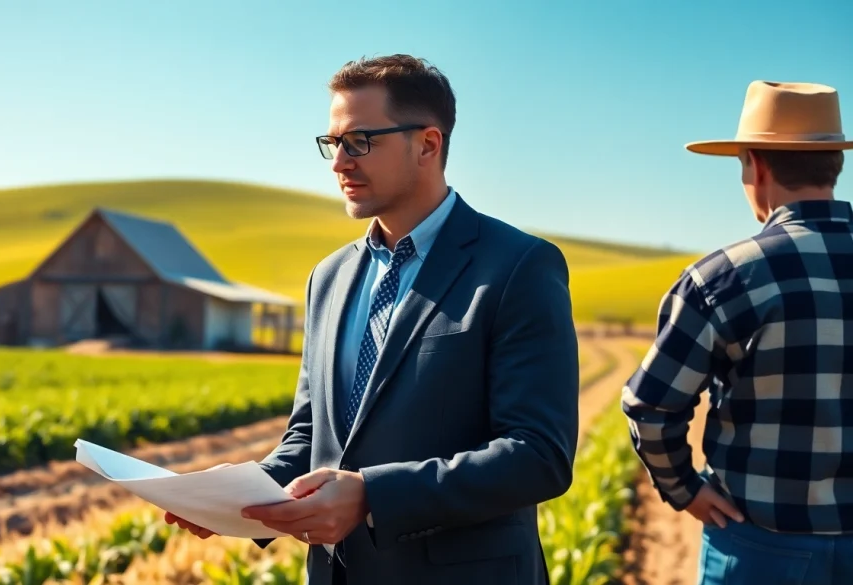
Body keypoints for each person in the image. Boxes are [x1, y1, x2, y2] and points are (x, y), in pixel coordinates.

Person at [164, 54, 580, 584]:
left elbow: (538, 454)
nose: (339, 162)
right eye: (332, 143)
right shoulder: (328, 276)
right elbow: (311, 434)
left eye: (359, 141)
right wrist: (240, 495)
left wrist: (372, 496)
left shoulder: (518, 266)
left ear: (428, 144)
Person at [621, 80, 853, 584]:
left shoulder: (724, 278)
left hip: (758, 547)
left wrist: (683, 488)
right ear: (835, 162)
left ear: (756, 166)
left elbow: (650, 406)